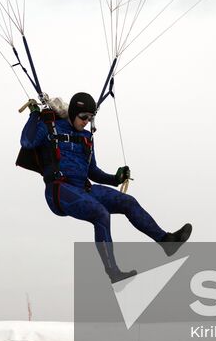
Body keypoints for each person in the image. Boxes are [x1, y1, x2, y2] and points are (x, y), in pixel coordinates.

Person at [20, 92, 191, 283]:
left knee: (127, 202)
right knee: (100, 214)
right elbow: (27, 142)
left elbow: (92, 172)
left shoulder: (86, 137)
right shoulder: (49, 126)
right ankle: (114, 273)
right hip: (58, 191)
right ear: (74, 112)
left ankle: (166, 241)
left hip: (83, 188)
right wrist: (34, 115)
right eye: (83, 117)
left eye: (90, 118)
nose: (86, 122)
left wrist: (115, 179)